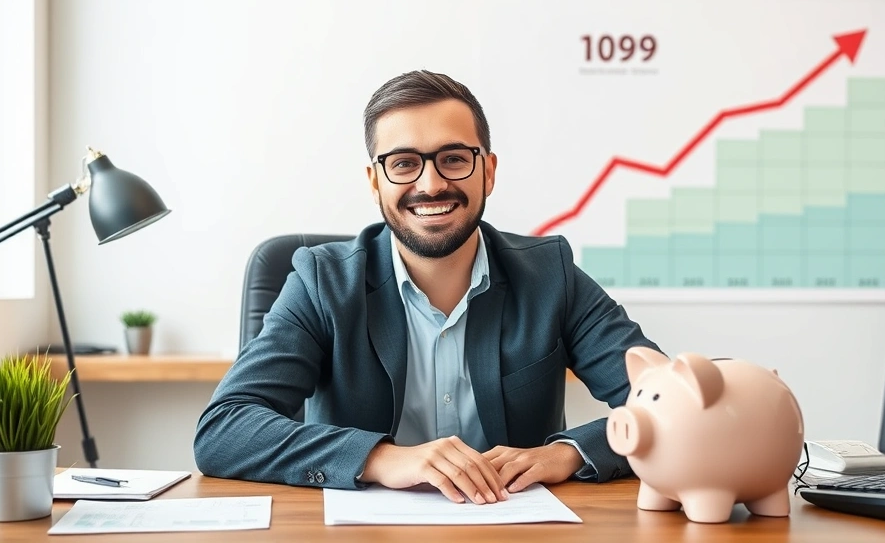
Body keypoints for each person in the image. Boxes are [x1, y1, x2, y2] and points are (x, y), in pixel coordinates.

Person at [193, 70, 661, 505]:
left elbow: (668, 405)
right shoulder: (322, 281)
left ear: (489, 172)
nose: (431, 184)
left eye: (454, 159)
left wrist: (567, 453)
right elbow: (224, 429)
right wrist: (382, 458)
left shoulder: (550, 276)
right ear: (376, 182)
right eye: (403, 163)